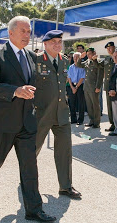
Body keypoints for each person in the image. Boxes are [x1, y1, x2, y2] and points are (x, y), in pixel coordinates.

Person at [0, 16, 55, 222]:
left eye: (29, 31)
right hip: (2, 122)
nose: (27, 35)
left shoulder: (31, 55)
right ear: (10, 33)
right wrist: (15, 91)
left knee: (30, 167)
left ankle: (34, 210)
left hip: (26, 122)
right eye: (23, 31)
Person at [34, 30, 81, 199]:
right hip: (42, 113)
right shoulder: (37, 60)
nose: (57, 44)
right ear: (45, 44)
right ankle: (28, 182)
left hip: (61, 113)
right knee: (33, 149)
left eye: (59, 41)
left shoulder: (63, 60)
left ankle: (65, 186)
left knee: (64, 151)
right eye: (53, 41)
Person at [78, 48, 103, 128]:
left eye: (90, 54)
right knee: (89, 105)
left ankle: (97, 122)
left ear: (94, 53)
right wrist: (80, 58)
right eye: (87, 54)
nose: (89, 56)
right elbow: (79, 65)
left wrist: (98, 86)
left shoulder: (98, 61)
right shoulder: (87, 61)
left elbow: (100, 75)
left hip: (94, 87)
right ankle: (91, 120)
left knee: (95, 105)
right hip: (87, 87)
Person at [98, 42, 116, 133]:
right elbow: (99, 65)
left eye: (110, 48)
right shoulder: (107, 59)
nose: (109, 50)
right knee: (109, 106)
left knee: (116, 107)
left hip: (115, 86)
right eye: (107, 49)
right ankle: (112, 123)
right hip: (108, 85)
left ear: (114, 48)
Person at [67, 52, 86, 125]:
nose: (75, 59)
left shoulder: (82, 66)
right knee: (72, 103)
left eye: (77, 57)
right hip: (72, 86)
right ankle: (73, 119)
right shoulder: (71, 67)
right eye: (74, 57)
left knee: (81, 103)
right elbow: (69, 77)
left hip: (80, 85)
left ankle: (80, 120)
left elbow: (82, 77)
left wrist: (76, 87)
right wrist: (72, 87)